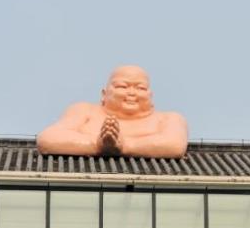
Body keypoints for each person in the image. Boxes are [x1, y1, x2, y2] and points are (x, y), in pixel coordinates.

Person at [37, 65, 188, 158]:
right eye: (122, 86)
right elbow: (48, 138)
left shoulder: (169, 118)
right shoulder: (84, 111)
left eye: (140, 88)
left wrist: (125, 145)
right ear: (104, 94)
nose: (132, 93)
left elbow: (174, 144)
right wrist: (97, 144)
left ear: (151, 95)